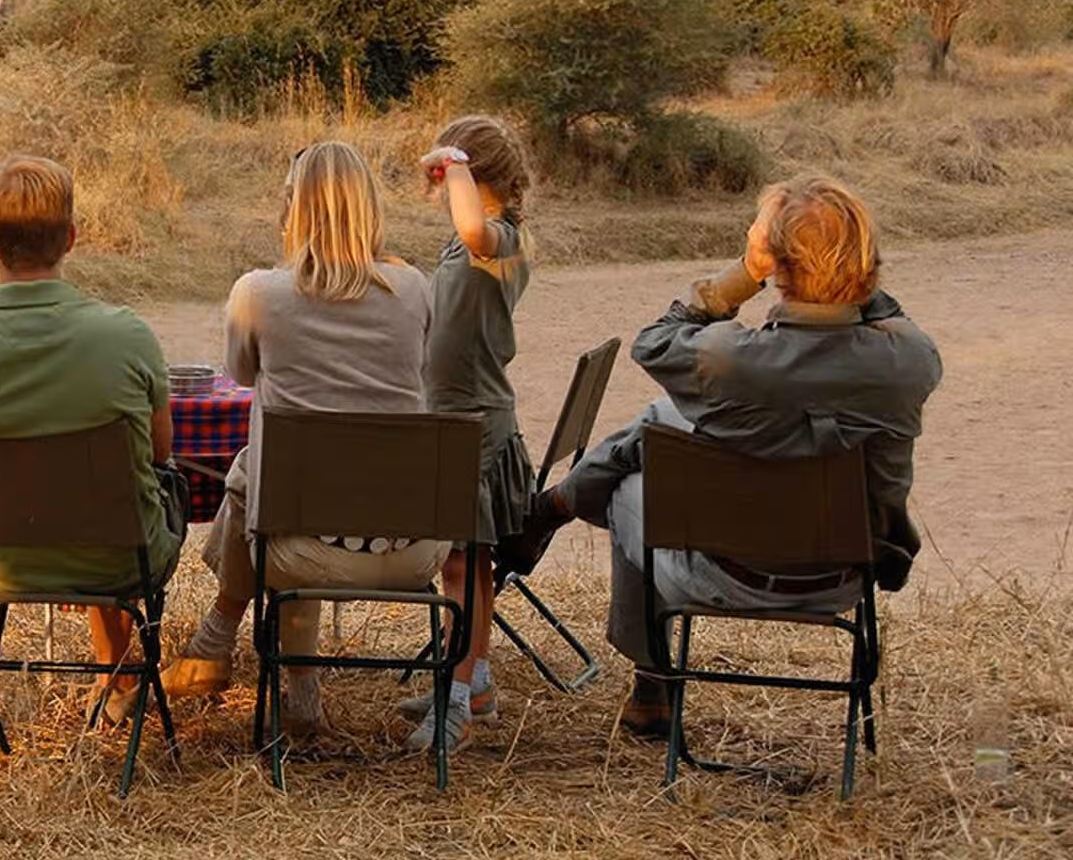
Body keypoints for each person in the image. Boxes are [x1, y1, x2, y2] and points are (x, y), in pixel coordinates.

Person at [502, 174, 943, 735]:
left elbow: (655, 340)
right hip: (842, 575)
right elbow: (884, 316)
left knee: (634, 475)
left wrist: (745, 272)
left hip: (721, 573)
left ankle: (651, 681)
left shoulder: (730, 360)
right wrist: (842, 268)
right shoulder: (910, 360)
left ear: (777, 264)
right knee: (662, 421)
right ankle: (555, 512)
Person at [158, 142, 447, 734]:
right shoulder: (414, 287)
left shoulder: (260, 292)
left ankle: (235, 646)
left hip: (303, 550)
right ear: (370, 207)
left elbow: (240, 376)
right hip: (414, 548)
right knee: (264, 475)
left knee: (260, 479)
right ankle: (274, 674)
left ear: (293, 209)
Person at [0, 156, 183, 725]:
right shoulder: (127, 336)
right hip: (116, 563)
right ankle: (123, 674)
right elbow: (156, 453)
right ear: (71, 238)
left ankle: (118, 673)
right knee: (146, 493)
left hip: (1, 566)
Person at [398, 115, 536, 753]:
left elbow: (474, 226)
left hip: (473, 423)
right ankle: (471, 679)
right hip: (456, 419)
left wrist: (452, 164)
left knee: (461, 563)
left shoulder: (497, 237)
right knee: (465, 562)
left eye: (454, 174)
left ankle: (458, 697)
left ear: (472, 176)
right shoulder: (469, 243)